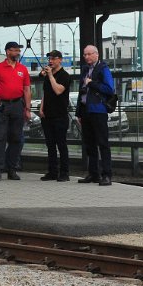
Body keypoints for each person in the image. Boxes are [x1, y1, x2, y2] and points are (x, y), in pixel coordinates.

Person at [75, 44, 115, 186]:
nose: (86, 57)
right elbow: (81, 92)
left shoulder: (103, 69)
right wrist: (78, 113)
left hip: (98, 110)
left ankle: (107, 175)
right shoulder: (85, 70)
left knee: (103, 143)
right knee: (89, 144)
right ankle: (93, 173)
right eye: (85, 55)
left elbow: (109, 89)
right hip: (86, 111)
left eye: (89, 54)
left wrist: (92, 83)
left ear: (96, 54)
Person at [0, 41, 31, 181]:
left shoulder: (23, 69)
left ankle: (12, 169)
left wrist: (27, 108)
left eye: (18, 50)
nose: (17, 53)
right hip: (3, 106)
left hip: (17, 105)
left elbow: (26, 89)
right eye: (14, 50)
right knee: (0, 138)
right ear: (8, 52)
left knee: (16, 138)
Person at [38, 50, 73, 182]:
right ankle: (52, 171)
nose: (51, 61)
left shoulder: (65, 76)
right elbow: (45, 93)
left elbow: (58, 90)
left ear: (60, 60)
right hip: (47, 115)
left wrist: (51, 76)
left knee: (61, 144)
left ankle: (64, 172)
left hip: (60, 115)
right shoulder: (47, 75)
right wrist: (41, 108)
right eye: (49, 59)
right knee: (50, 145)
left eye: (53, 58)